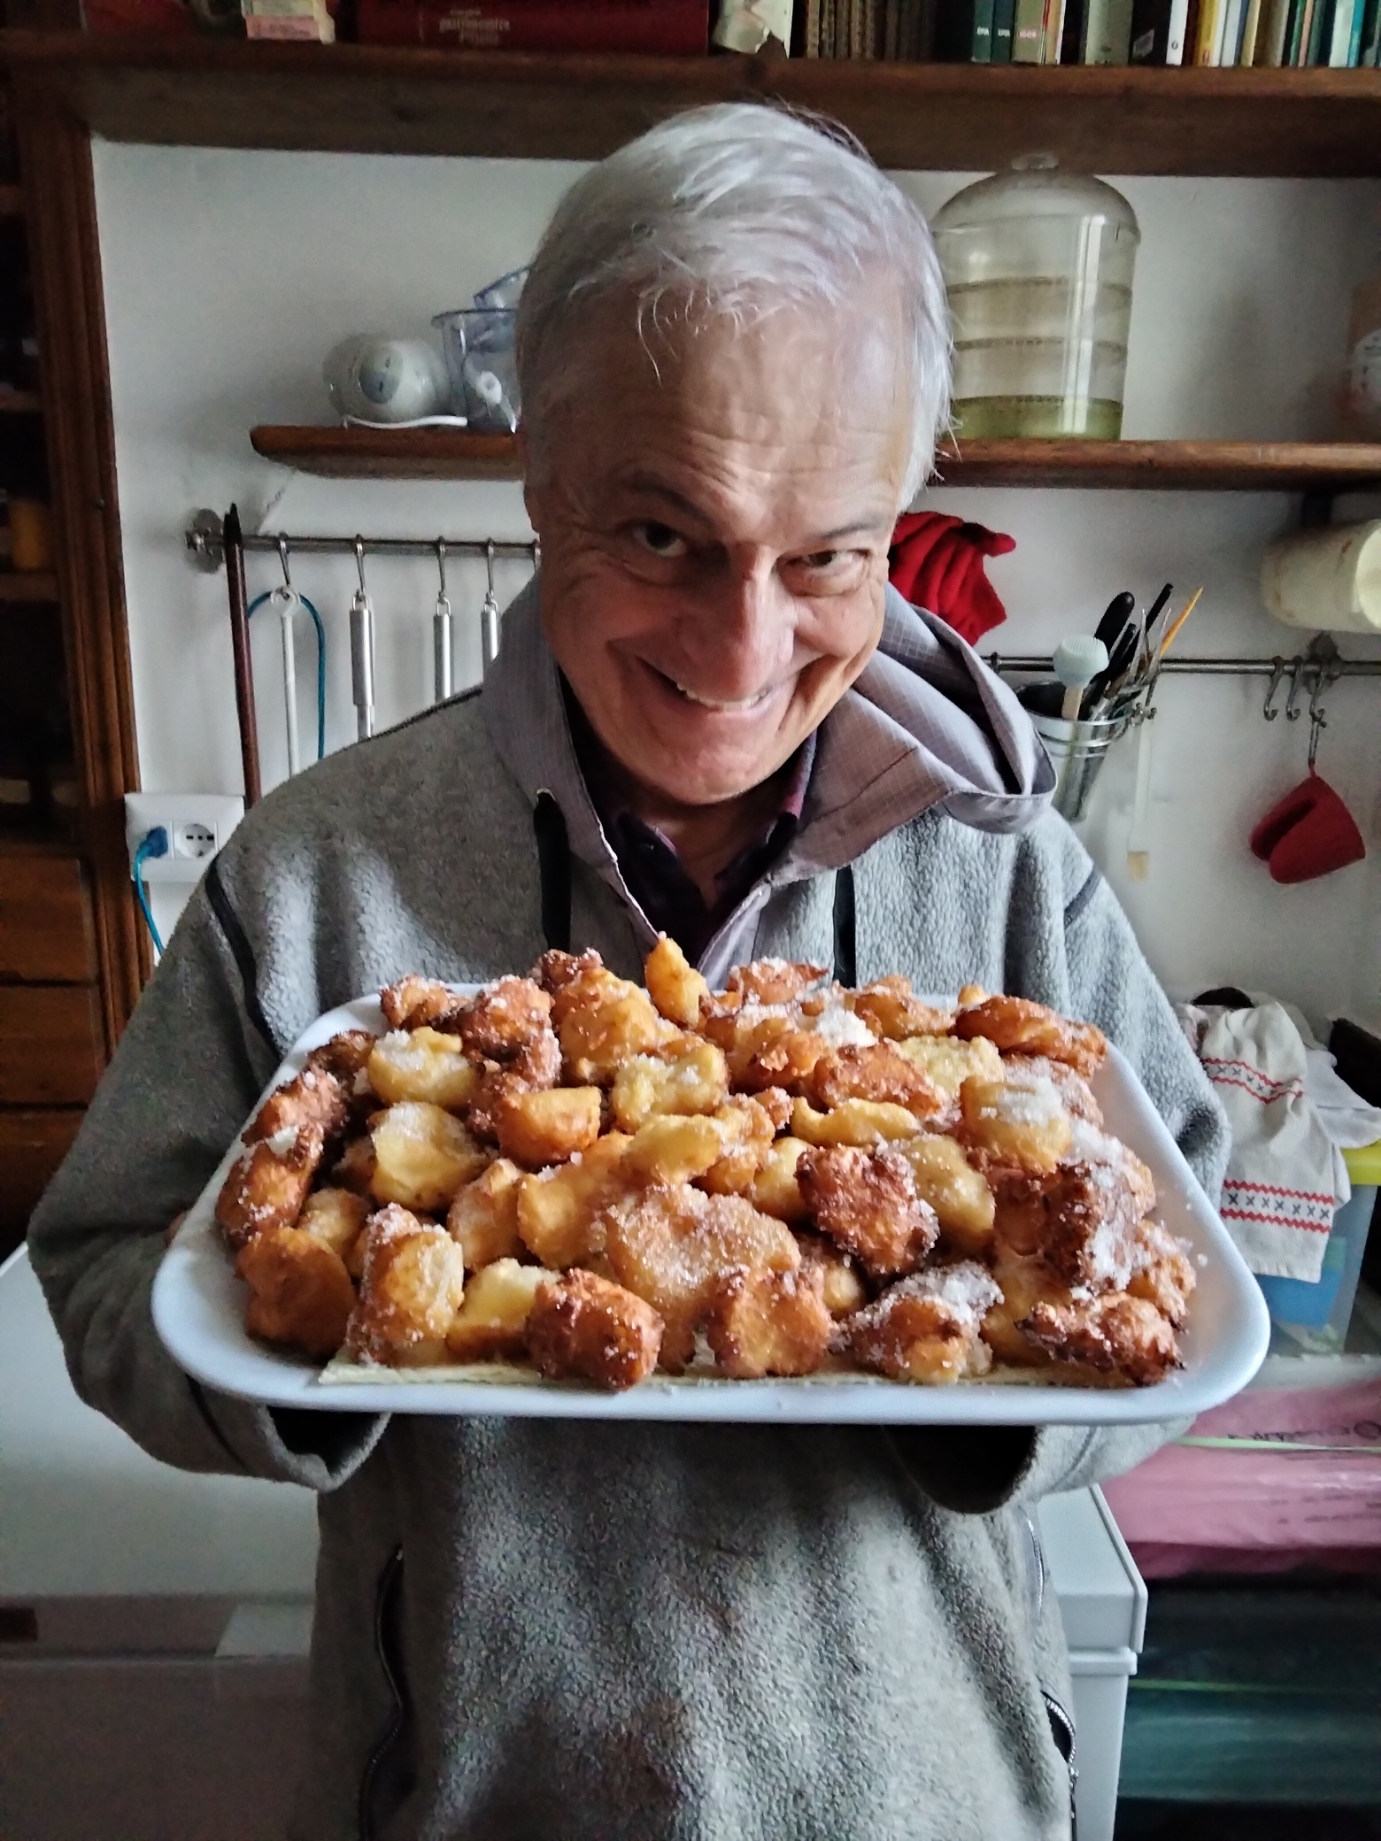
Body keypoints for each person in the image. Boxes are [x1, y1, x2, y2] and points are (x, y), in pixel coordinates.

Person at [29, 103, 1225, 1841]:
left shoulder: (1009, 874)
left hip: (921, 1795)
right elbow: (94, 1269)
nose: (742, 650)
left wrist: (988, 1375)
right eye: (662, 534)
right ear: (541, 479)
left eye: (824, 551)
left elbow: (1173, 1281)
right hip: (479, 1797)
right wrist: (303, 1352)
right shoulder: (316, 876)